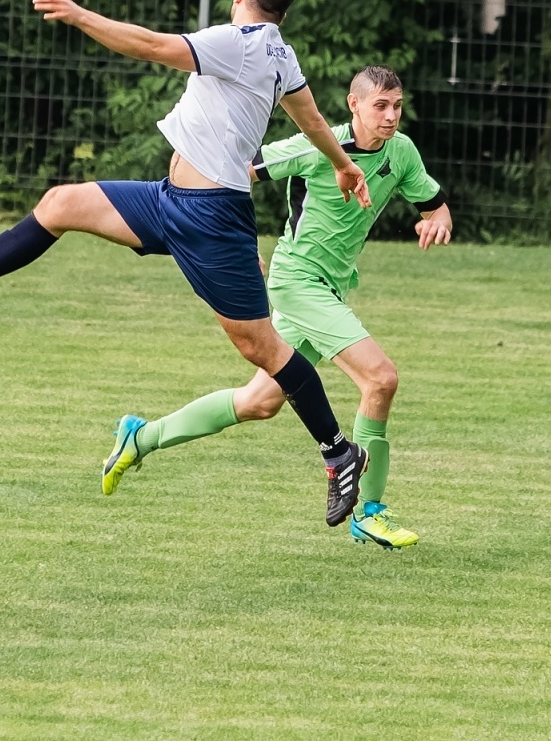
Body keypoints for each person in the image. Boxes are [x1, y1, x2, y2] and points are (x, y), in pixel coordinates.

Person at [0, 0, 375, 528]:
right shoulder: (279, 53)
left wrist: (76, 14)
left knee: (263, 350)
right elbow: (313, 120)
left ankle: (339, 451)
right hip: (170, 201)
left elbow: (148, 45)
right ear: (284, 12)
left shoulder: (237, 40)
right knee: (60, 204)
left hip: (213, 219)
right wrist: (343, 165)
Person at [98, 65, 452, 550]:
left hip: (330, 288)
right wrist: (235, 240)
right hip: (298, 283)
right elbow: (235, 172)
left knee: (259, 402)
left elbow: (431, 201)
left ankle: (141, 437)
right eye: (380, 106)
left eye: (397, 106)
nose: (390, 116)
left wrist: (439, 217)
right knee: (380, 378)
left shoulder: (401, 152)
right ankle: (369, 511)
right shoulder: (315, 146)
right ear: (354, 106)